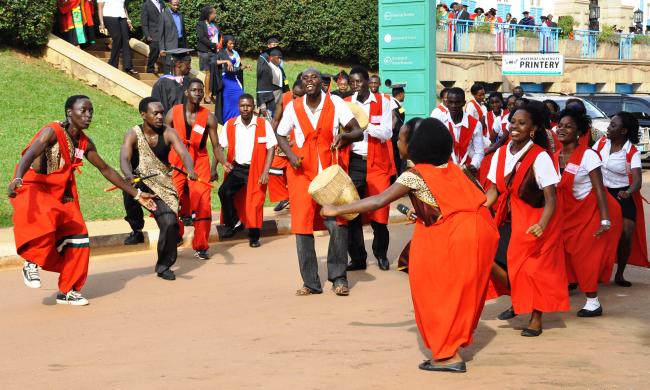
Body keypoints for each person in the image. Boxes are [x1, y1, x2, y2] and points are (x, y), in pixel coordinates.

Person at [322, 118, 499, 373]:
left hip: (453, 236)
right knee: (457, 296)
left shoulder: (415, 175)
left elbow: (379, 200)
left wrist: (335, 209)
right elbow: (474, 198)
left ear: (415, 145)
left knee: (435, 294)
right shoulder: (453, 167)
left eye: (402, 138)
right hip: (480, 231)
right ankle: (452, 347)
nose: (397, 140)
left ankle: (449, 355)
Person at [8, 96, 156, 305]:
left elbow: (106, 169)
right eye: (83, 111)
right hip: (35, 185)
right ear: (70, 112)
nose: (88, 115)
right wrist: (18, 177)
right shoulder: (52, 131)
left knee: (79, 236)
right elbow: (31, 152)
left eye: (90, 111)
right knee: (47, 219)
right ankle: (31, 261)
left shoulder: (85, 142)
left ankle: (68, 290)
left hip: (61, 190)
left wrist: (137, 195)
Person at [276, 68, 364, 296]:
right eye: (305, 78)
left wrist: (344, 136)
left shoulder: (336, 103)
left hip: (331, 175)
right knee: (302, 228)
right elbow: (280, 134)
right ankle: (310, 282)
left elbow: (358, 132)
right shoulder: (293, 107)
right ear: (301, 83)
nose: (309, 81)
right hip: (301, 175)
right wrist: (291, 155)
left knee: (338, 226)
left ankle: (338, 277)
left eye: (314, 77)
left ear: (323, 83)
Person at [485, 101, 569, 337]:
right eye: (512, 121)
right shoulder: (500, 153)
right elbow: (493, 191)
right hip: (507, 219)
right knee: (492, 259)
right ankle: (519, 297)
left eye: (522, 123)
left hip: (534, 220)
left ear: (532, 129)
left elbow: (551, 198)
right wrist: (475, 210)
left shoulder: (540, 157)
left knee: (533, 271)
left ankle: (535, 317)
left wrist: (541, 225)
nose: (515, 127)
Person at [120, 97, 198, 280]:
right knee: (128, 194)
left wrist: (190, 169)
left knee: (170, 223)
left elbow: (184, 153)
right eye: (155, 113)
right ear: (143, 115)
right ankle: (136, 230)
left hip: (161, 183)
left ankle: (164, 265)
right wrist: (129, 175)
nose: (160, 116)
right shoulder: (133, 133)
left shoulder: (169, 133)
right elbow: (124, 158)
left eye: (162, 112)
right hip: (137, 180)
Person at [555, 108, 622, 316]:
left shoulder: (588, 155)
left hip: (589, 213)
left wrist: (605, 220)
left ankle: (593, 302)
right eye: (560, 125)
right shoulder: (553, 155)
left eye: (568, 126)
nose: (562, 129)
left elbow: (599, 189)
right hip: (565, 215)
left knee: (586, 258)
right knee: (562, 256)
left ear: (579, 132)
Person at [341, 66, 394, 271]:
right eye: (352, 82)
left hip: (377, 163)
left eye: (359, 81)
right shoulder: (346, 103)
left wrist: (364, 126)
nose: (355, 85)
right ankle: (358, 258)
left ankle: (381, 254)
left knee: (380, 213)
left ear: (367, 81)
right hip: (353, 161)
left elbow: (387, 133)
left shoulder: (383, 102)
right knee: (353, 211)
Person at [165, 79, 224, 259]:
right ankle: (175, 235)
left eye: (201, 90)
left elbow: (216, 146)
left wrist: (218, 165)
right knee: (171, 200)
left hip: (200, 161)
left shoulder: (209, 117)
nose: (198, 93)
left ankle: (201, 245)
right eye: (194, 90)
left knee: (203, 203)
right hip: (177, 159)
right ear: (186, 93)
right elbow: (163, 137)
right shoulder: (173, 112)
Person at [594, 112, 650, 286]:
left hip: (622, 194)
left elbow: (638, 181)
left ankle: (620, 274)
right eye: (610, 124)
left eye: (613, 125)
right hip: (601, 193)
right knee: (595, 233)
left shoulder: (631, 152)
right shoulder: (601, 143)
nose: (609, 128)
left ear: (624, 131)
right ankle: (594, 270)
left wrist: (628, 192)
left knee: (626, 235)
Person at [218, 94, 276, 247]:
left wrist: (265, 172)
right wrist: (223, 162)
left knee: (255, 203)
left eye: (248, 106)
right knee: (224, 192)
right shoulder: (230, 124)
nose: (245, 108)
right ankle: (234, 223)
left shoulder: (263, 124)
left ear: (254, 107)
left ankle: (254, 236)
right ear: (238, 106)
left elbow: (271, 148)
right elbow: (219, 147)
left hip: (256, 170)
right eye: (242, 105)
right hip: (237, 168)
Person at [269, 79, 306, 212]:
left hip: (299, 141)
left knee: (296, 172)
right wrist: (270, 137)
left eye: (299, 96)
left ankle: (298, 199)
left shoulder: (310, 102)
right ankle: (284, 197)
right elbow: (276, 119)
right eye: (294, 95)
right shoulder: (284, 98)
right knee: (273, 168)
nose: (295, 98)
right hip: (282, 138)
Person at [439, 87, 484, 176]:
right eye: (451, 102)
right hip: (446, 171)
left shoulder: (475, 124)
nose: (453, 106)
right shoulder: (440, 122)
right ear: (446, 103)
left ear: (463, 103)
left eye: (457, 102)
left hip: (468, 171)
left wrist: (473, 165)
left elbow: (479, 152)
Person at [478, 92, 510, 189]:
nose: (495, 105)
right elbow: (480, 131)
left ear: (501, 102)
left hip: (503, 144)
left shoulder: (507, 114)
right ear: (489, 103)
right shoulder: (486, 116)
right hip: (490, 144)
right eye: (492, 103)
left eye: (497, 102)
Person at [97, 0, 137, 75]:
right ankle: (112, 64)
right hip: (109, 16)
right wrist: (101, 23)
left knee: (125, 39)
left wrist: (128, 19)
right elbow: (100, 7)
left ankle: (128, 67)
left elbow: (123, 6)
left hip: (122, 17)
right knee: (117, 37)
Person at [151, 48, 192, 116]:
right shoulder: (162, 83)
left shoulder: (189, 82)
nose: (190, 67)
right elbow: (155, 105)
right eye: (188, 64)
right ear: (178, 64)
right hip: (167, 122)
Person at [217, 35, 248, 123]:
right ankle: (227, 121)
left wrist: (244, 66)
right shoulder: (221, 52)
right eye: (230, 44)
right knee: (228, 101)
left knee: (240, 95)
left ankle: (238, 119)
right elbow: (214, 62)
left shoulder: (236, 53)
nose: (232, 45)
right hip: (225, 78)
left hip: (234, 78)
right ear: (226, 43)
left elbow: (236, 67)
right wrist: (226, 61)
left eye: (233, 44)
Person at [196, 5, 221, 104]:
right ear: (208, 14)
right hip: (205, 52)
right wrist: (213, 45)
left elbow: (219, 36)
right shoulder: (200, 24)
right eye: (214, 13)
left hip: (214, 52)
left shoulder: (215, 25)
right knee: (208, 73)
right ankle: (206, 96)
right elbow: (201, 38)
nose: (215, 15)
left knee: (215, 73)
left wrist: (219, 44)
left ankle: (212, 94)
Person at [158, 0, 187, 74]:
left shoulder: (180, 15)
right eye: (174, 5)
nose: (176, 7)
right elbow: (160, 34)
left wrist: (186, 47)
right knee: (169, 66)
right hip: (169, 46)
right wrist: (161, 48)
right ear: (169, 4)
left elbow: (184, 33)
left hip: (180, 44)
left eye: (177, 5)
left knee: (180, 66)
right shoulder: (163, 15)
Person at [140, 0, 164, 74]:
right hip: (152, 32)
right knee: (155, 48)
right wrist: (147, 35)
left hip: (163, 31)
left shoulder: (162, 3)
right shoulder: (146, 5)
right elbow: (144, 22)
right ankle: (150, 68)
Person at [389, 83, 406, 176]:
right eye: (404, 94)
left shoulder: (397, 104)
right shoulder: (393, 105)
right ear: (400, 94)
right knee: (397, 160)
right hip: (394, 137)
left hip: (397, 136)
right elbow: (394, 123)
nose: (404, 96)